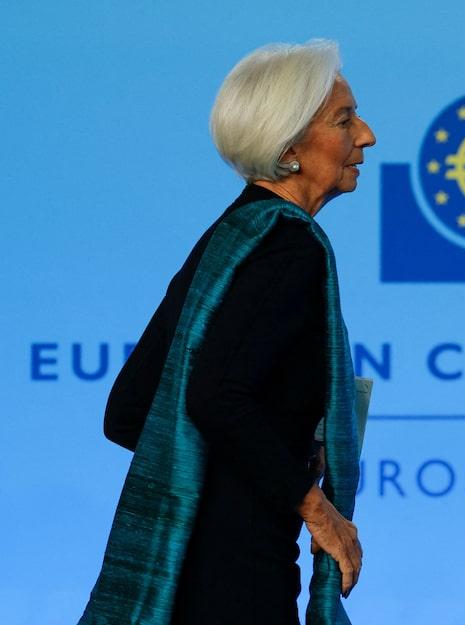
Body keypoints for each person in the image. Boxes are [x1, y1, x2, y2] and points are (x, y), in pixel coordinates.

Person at [86, 39, 376, 625]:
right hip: (239, 582)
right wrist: (316, 508)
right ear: (289, 149)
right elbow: (215, 396)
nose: (366, 136)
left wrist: (273, 449)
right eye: (344, 120)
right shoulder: (289, 246)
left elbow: (130, 411)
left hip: (181, 569)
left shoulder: (232, 237)